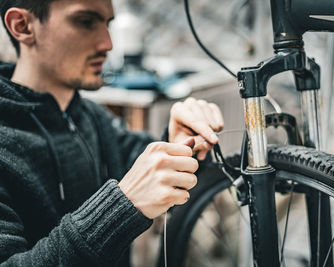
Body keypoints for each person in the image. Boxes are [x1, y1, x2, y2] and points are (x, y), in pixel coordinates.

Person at [0, 0, 224, 265]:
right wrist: (121, 207)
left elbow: (143, 164)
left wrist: (180, 143)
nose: (108, 44)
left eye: (107, 24)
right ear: (22, 26)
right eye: (86, 22)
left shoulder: (91, 117)